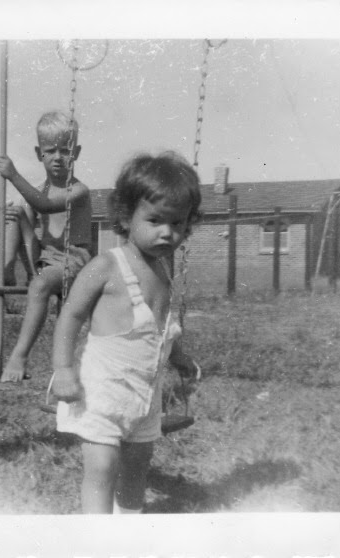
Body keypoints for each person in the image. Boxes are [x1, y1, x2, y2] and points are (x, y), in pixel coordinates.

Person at [49, 151, 202, 514]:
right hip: (102, 395)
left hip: (145, 400)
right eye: (155, 220)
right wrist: (64, 370)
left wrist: (180, 357)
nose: (167, 232)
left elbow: (161, 328)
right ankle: (98, 537)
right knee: (102, 469)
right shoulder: (106, 266)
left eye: (177, 223)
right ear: (125, 216)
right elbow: (70, 316)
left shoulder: (163, 272)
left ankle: (129, 528)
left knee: (137, 469)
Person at [0, 110, 93, 382]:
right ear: (40, 154)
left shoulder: (79, 191)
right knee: (16, 211)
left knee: (39, 285)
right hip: (44, 258)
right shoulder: (38, 190)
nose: (58, 157)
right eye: (50, 151)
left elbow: (46, 205)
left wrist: (13, 175)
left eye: (66, 150)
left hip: (73, 261)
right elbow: (30, 214)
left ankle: (19, 356)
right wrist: (3, 217)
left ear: (76, 153)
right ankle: (7, 269)